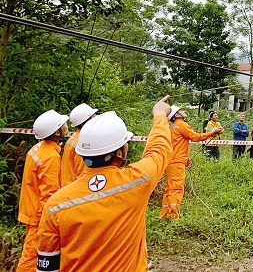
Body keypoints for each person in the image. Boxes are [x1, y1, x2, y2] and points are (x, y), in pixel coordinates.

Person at [35, 97, 173, 272]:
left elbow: (47, 267)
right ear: (120, 152)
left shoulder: (55, 205)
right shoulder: (137, 182)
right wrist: (160, 114)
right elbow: (159, 150)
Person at [16, 109, 68, 272]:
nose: (66, 126)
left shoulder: (39, 148)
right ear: (57, 132)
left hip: (32, 209)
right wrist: (51, 222)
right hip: (39, 215)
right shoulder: (50, 158)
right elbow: (49, 195)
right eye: (63, 125)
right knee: (31, 257)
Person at [159, 106, 222, 219]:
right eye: (181, 111)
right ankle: (173, 215)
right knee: (176, 188)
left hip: (171, 161)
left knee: (169, 188)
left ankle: (165, 214)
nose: (184, 112)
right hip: (177, 161)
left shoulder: (173, 126)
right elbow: (195, 137)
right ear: (177, 115)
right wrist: (211, 132)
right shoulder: (181, 125)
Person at [61, 102, 97, 186]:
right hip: (76, 189)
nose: (96, 117)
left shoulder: (75, 137)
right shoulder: (84, 143)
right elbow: (84, 173)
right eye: (93, 116)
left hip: (68, 186)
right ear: (85, 122)